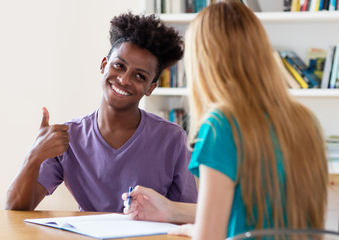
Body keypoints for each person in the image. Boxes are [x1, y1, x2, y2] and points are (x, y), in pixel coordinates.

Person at [122, 1, 328, 239]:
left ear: (204, 62)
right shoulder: (305, 121)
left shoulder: (221, 125)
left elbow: (209, 236)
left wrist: (191, 232)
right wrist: (182, 221)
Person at [5, 12, 197, 212]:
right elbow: (15, 208)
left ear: (151, 87)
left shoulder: (173, 140)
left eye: (139, 76)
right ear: (104, 65)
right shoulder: (67, 138)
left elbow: (189, 216)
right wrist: (34, 155)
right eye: (119, 66)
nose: (124, 79)